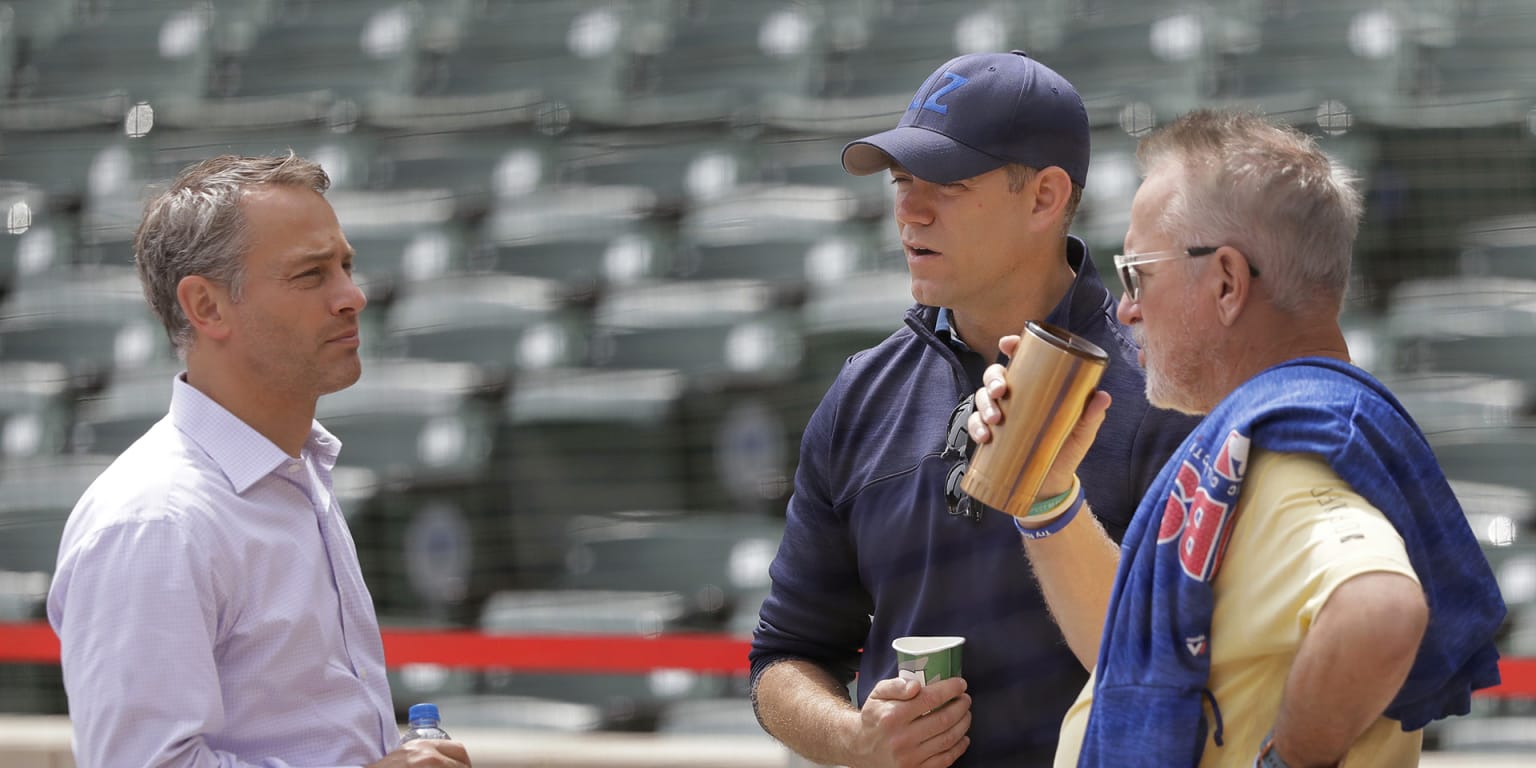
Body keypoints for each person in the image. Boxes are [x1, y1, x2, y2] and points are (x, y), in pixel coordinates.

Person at [968, 110, 1506, 766]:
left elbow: (1381, 612)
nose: (1126, 308)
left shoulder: (1293, 454)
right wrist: (1048, 496)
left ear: (1225, 282)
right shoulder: (1263, 442)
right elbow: (1140, 650)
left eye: (1139, 273)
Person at [748, 51, 1199, 767]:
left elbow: (1202, 671)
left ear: (1046, 197)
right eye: (902, 181)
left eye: (947, 185)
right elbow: (783, 658)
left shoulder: (1165, 394)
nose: (909, 210)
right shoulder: (861, 394)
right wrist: (855, 740)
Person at [47, 154, 472, 768]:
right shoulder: (156, 522)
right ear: (207, 307)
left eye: (346, 266)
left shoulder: (295, 474)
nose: (352, 296)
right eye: (310, 275)